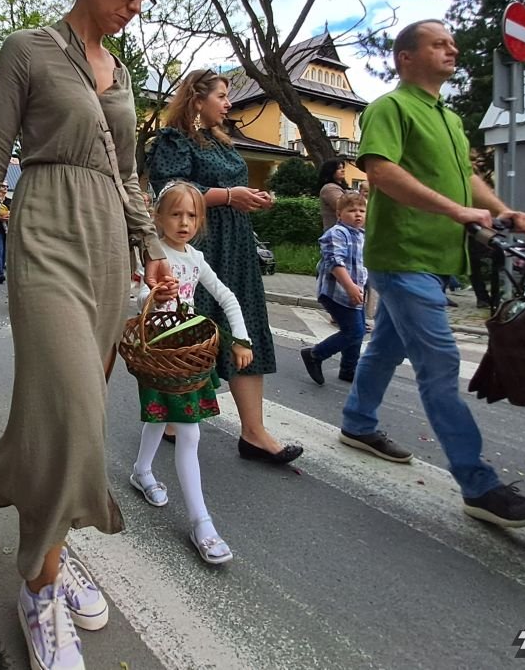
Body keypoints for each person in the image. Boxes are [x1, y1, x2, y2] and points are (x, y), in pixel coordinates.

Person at [0, 0, 177, 670]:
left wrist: (150, 248)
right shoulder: (28, 50)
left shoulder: (123, 74)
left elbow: (128, 175)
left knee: (68, 422)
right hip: (46, 232)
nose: (135, 4)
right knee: (71, 409)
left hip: (110, 249)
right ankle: (40, 589)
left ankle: (53, 551)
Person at [338, 19, 525, 528]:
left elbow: (466, 176)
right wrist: (456, 212)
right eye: (439, 43)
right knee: (440, 366)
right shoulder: (390, 107)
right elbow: (381, 171)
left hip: (436, 260)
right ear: (406, 57)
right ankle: (479, 485)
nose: (452, 49)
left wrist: (501, 210)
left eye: (452, 43)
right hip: (403, 255)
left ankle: (357, 422)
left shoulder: (450, 118)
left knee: (386, 346)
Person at [147, 70, 299, 465]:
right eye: (221, 96)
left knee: (244, 322)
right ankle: (173, 415)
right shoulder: (174, 140)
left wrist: (251, 198)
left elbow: (228, 189)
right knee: (191, 330)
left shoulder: (221, 140)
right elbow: (168, 192)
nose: (228, 103)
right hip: (199, 244)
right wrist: (229, 196)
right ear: (197, 100)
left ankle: (253, 432)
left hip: (236, 244)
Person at [129, 181, 250, 566]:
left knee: (161, 416)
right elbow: (136, 297)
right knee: (188, 431)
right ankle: (201, 522)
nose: (184, 223)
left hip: (188, 355)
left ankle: (142, 471)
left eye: (192, 216)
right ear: (157, 217)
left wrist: (241, 339)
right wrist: (153, 297)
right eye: (176, 214)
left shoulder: (195, 258)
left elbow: (226, 296)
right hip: (159, 351)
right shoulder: (152, 254)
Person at [303, 190, 368, 385]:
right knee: (354, 331)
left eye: (362, 210)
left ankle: (348, 369)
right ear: (339, 214)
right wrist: (350, 287)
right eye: (352, 211)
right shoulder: (337, 233)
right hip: (337, 292)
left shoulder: (361, 235)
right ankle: (315, 354)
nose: (358, 214)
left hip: (354, 292)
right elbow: (334, 262)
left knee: (357, 331)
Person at [317, 159, 349, 231]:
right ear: (330, 171)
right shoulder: (329, 188)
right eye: (339, 168)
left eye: (343, 168)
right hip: (337, 232)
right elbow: (344, 206)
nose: (343, 170)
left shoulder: (343, 188)